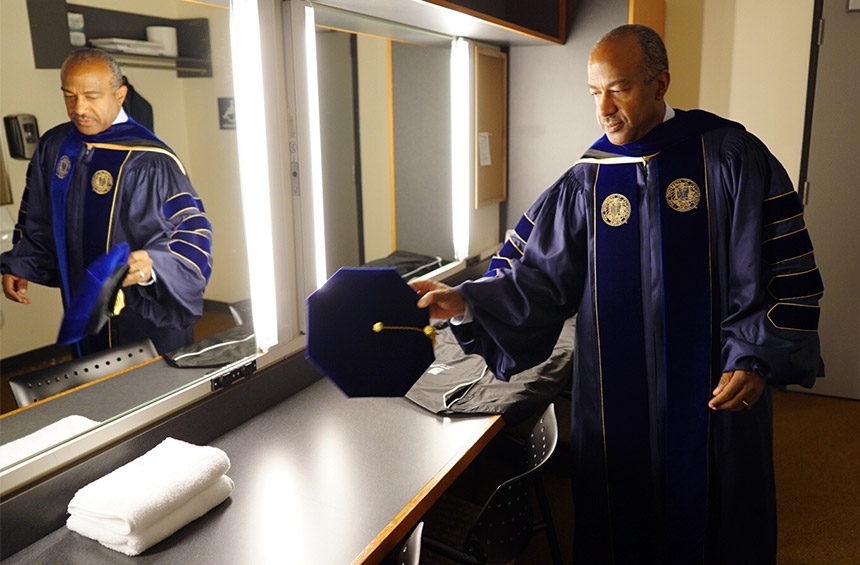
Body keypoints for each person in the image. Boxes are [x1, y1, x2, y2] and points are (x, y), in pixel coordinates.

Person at [412, 25, 823, 564]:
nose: (603, 108)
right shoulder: (586, 183)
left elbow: (776, 266)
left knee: (721, 522)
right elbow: (537, 279)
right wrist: (467, 301)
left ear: (660, 84)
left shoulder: (730, 157)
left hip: (716, 394)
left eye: (619, 89)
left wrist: (754, 356)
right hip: (614, 403)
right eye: (594, 92)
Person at [1, 48, 212, 356]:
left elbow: (191, 231)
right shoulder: (55, 147)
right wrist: (22, 263)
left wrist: (155, 265)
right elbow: (38, 215)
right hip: (84, 307)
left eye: (91, 96)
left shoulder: (150, 159)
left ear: (120, 94)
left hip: (144, 315)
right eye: (69, 96)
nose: (79, 108)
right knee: (96, 389)